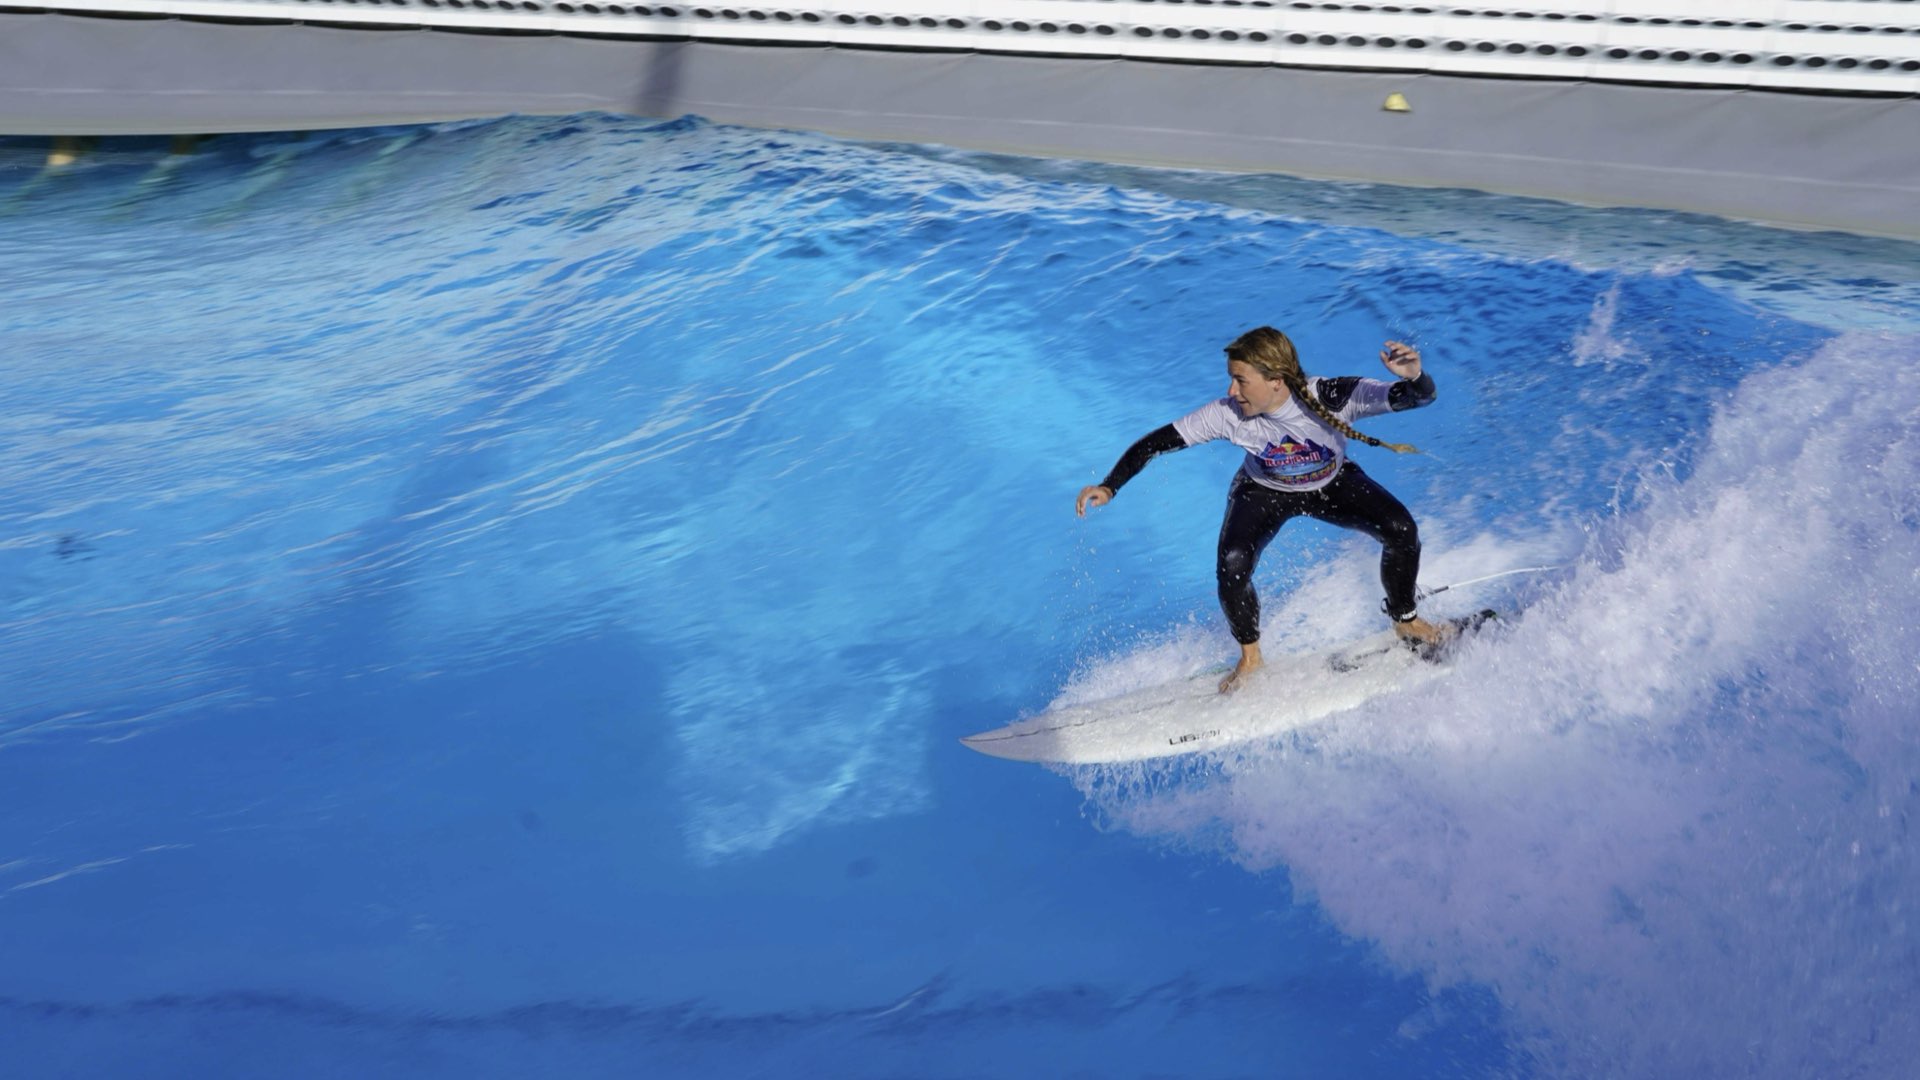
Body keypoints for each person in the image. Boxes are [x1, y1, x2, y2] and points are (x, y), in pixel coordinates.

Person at [1075, 326, 1445, 693]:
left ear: (1276, 380)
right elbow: (1155, 443)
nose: (1231, 391)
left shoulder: (1333, 396)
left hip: (1331, 484)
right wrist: (1110, 485)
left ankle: (1406, 620)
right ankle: (1250, 658)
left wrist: (1415, 376)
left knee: (1400, 529)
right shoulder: (1227, 414)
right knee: (1232, 564)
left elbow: (1419, 397)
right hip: (1264, 490)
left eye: (1240, 380)